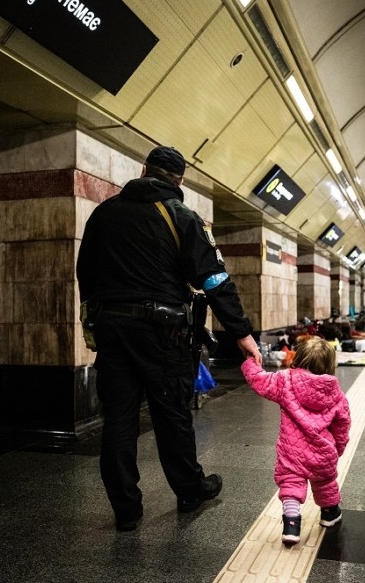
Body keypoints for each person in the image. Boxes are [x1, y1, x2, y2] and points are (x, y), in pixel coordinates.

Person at [77, 145, 262, 532]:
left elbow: (86, 274)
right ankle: (189, 489)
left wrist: (94, 322)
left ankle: (126, 508)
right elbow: (214, 279)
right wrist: (241, 332)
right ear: (178, 180)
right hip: (163, 333)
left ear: (144, 169)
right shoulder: (182, 217)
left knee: (119, 418)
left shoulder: (103, 214)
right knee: (171, 413)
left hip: (113, 329)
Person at [241, 337, 351, 546]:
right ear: (329, 365)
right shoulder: (336, 394)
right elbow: (342, 426)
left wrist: (249, 361)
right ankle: (329, 514)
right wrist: (339, 448)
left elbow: (259, 380)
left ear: (297, 359)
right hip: (323, 453)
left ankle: (291, 525)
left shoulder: (284, 381)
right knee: (325, 483)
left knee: (291, 484)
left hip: (292, 452)